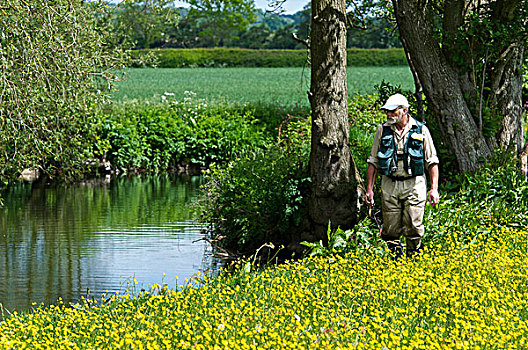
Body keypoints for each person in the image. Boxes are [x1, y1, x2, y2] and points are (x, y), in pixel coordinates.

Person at [365, 93, 439, 258]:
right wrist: (369, 189)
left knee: (414, 225)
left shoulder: (421, 130)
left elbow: (432, 161)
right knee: (390, 229)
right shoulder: (382, 131)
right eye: (387, 111)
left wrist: (434, 189)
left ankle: (413, 260)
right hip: (389, 184)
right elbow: (373, 162)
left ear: (404, 110)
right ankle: (396, 262)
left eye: (392, 111)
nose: (389, 114)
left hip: (415, 184)